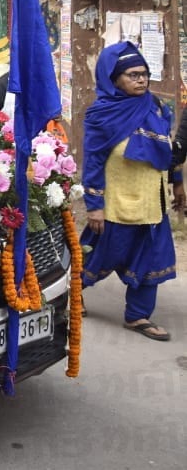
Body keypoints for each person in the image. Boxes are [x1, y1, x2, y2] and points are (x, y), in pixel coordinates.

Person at [82, 41, 181, 341]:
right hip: (116, 203)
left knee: (152, 258)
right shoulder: (101, 114)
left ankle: (138, 316)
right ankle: (69, 295)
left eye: (144, 74)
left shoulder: (156, 106)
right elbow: (93, 160)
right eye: (133, 75)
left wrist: (178, 181)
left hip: (152, 202)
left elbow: (167, 149)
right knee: (97, 256)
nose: (141, 80)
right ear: (114, 79)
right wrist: (94, 205)